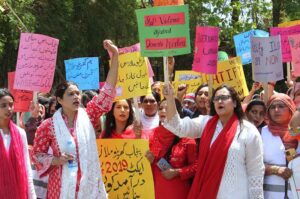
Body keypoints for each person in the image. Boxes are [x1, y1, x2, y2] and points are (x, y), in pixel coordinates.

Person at [32, 40, 119, 199]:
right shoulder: (48, 126)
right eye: (70, 94)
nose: (76, 97)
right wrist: (56, 160)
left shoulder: (89, 115)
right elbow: (37, 155)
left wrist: (116, 57)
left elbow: (108, 91)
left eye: (78, 93)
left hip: (88, 187)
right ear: (59, 100)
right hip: (60, 188)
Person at [162, 83, 264, 199]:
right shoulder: (206, 123)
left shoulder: (248, 131)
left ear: (235, 103)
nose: (220, 101)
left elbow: (255, 173)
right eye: (216, 99)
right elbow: (177, 127)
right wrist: (170, 98)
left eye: (224, 98)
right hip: (207, 193)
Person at [145, 98, 198, 199]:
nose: (163, 111)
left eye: (167, 108)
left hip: (178, 192)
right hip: (155, 191)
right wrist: (149, 161)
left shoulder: (187, 137)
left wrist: (177, 172)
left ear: (176, 112)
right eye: (161, 108)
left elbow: (196, 166)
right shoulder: (149, 135)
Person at [262, 93, 299, 199]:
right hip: (270, 195)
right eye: (272, 107)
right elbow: (252, 165)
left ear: (291, 109)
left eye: (281, 106)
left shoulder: (297, 132)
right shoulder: (261, 133)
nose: (276, 110)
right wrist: (275, 169)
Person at [0, 88, 36, 198]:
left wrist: (32, 195)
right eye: (3, 105)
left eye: (11, 104)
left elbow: (26, 166)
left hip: (18, 191)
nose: (9, 109)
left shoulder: (20, 133)